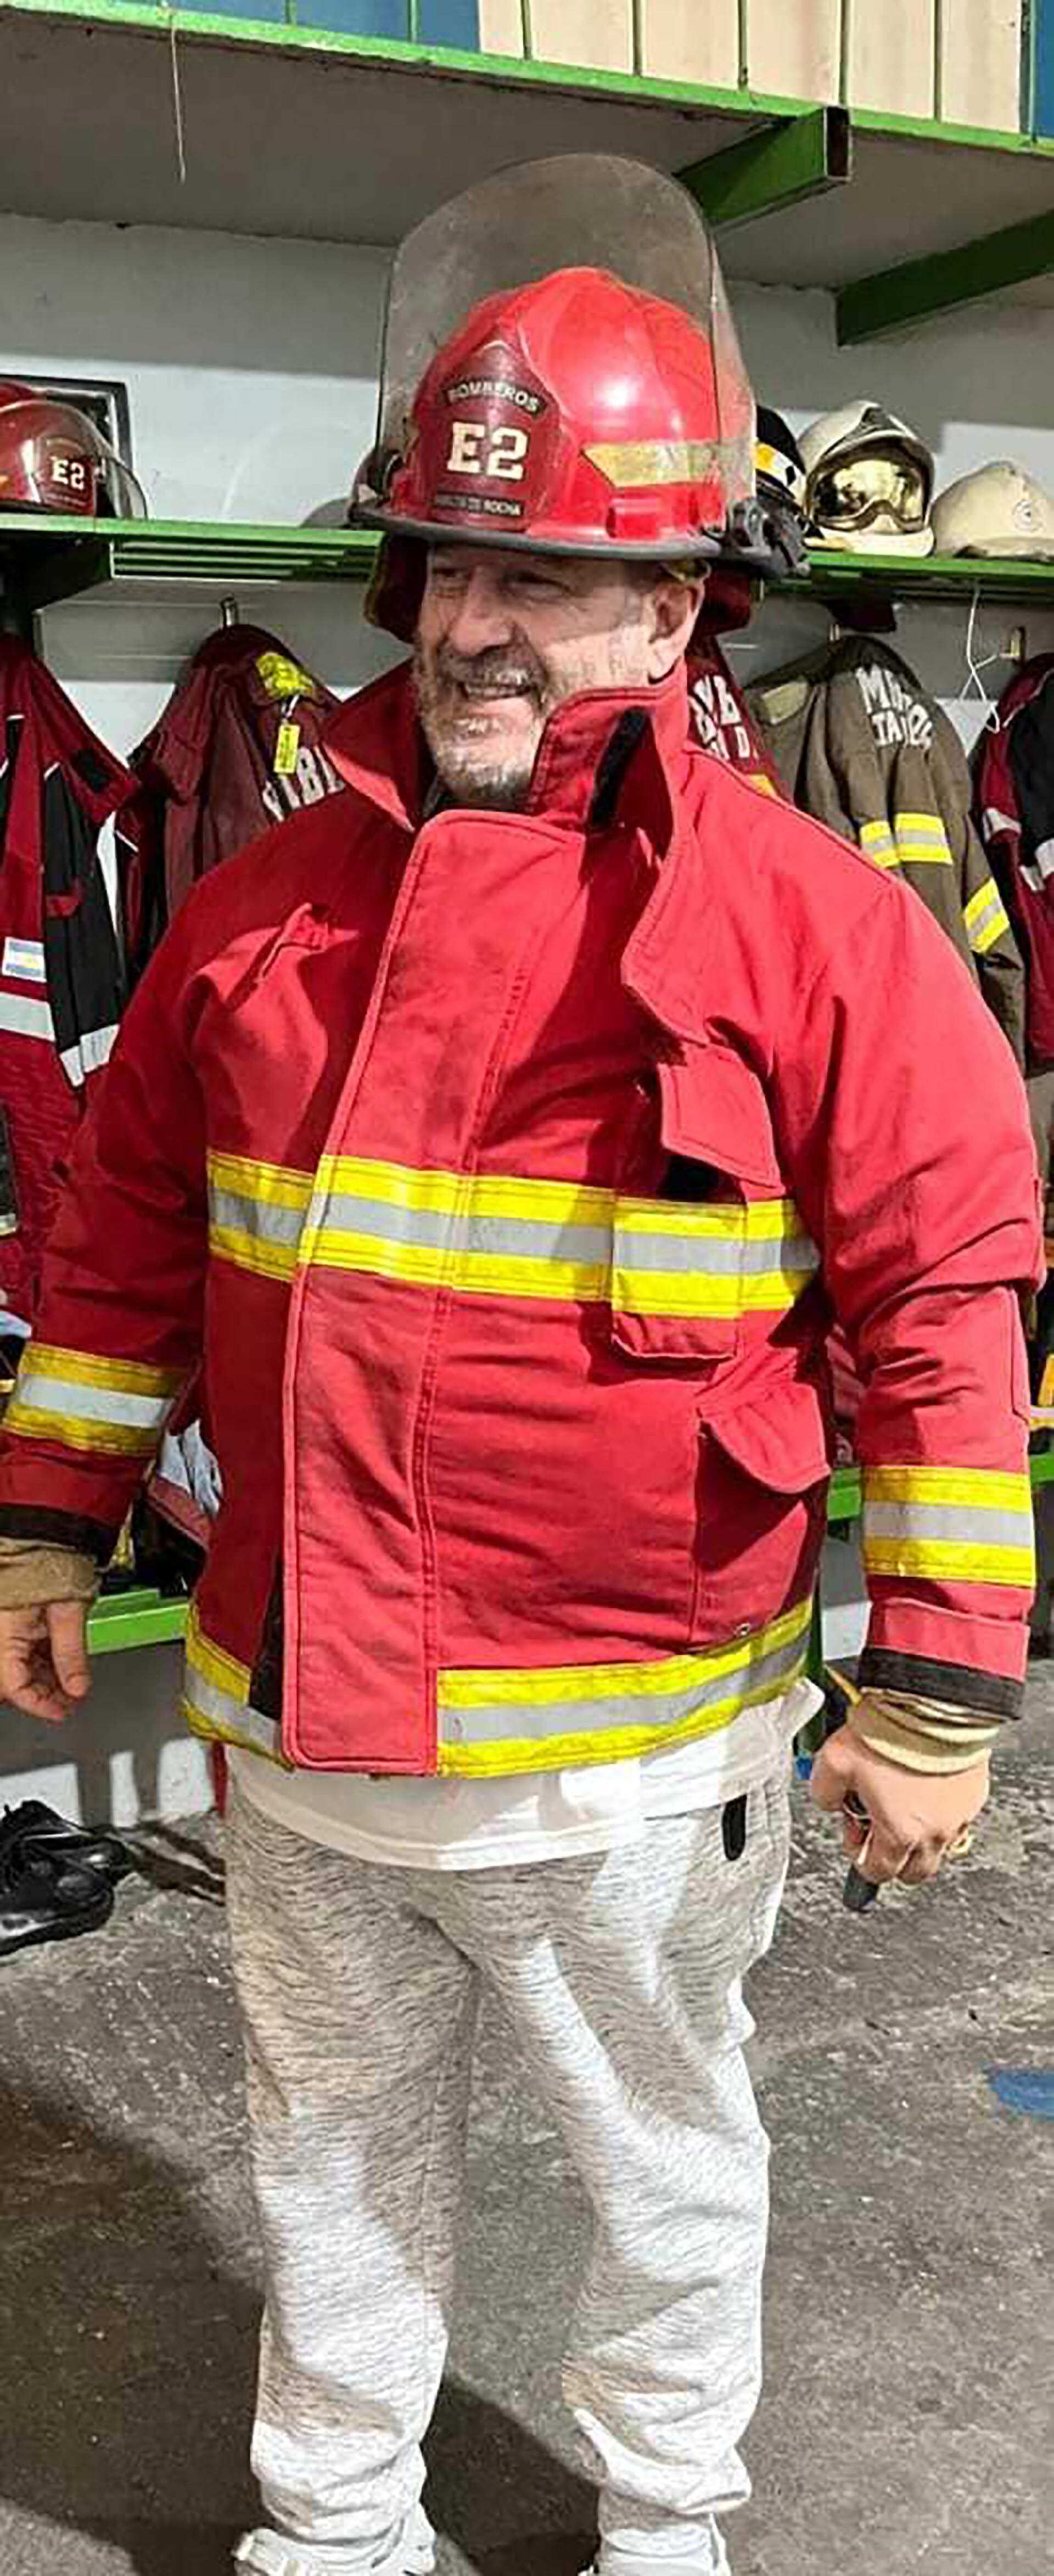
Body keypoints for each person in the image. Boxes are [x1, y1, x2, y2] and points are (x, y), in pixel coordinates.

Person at [0, 159, 1040, 2576]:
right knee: (324, 2163)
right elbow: (126, 1238)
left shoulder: (814, 933)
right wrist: (46, 1524)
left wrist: (934, 1697)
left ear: (678, 608)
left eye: (549, 577)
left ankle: (664, 2520)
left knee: (666, 2167)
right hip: (304, 1746)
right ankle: (332, 2523)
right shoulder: (263, 907)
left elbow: (943, 1311)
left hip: (630, 1757)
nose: (478, 624)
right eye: (453, 566)